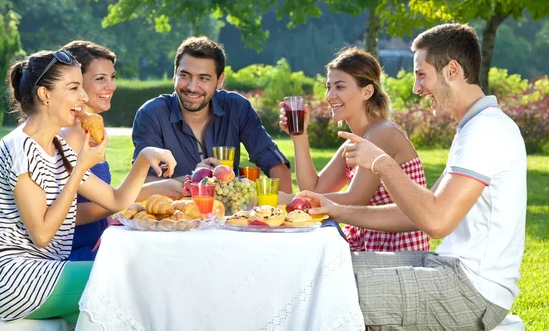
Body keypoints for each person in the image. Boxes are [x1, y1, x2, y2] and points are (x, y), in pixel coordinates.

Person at [302, 23, 526, 330]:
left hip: (472, 291)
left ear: (452, 70)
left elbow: (436, 222)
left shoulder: (486, 130)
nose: (415, 87)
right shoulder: (473, 128)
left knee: (324, 294)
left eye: (421, 74)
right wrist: (337, 210)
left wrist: (381, 162)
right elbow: (420, 212)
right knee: (320, 270)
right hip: (449, 267)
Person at [0, 50, 177, 324]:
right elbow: (42, 235)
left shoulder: (59, 149)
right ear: (45, 95)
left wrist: (143, 159)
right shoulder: (19, 146)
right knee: (127, 282)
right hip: (9, 277)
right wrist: (81, 167)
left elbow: (115, 201)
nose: (83, 97)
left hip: (45, 271)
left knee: (114, 313)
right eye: (73, 88)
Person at [279, 47, 429, 251]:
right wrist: (299, 137)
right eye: (328, 86)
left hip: (397, 250)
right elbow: (315, 188)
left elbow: (356, 199)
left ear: (367, 91)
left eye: (340, 87)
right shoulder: (354, 143)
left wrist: (288, 200)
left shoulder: (382, 132)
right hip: (370, 246)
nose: (330, 95)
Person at [58, 41, 182, 261]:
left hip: (100, 243)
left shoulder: (90, 130)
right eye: (100, 79)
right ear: (75, 83)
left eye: (112, 77)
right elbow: (68, 215)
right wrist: (147, 191)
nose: (110, 86)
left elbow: (99, 199)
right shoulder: (70, 135)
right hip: (75, 253)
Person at [132, 36, 293, 192]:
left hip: (228, 216)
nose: (192, 87)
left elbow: (275, 163)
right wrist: (195, 180)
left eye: (203, 78)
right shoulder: (151, 114)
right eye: (185, 75)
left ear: (220, 80)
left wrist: (285, 212)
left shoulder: (237, 108)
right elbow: (140, 184)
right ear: (175, 76)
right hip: (174, 216)